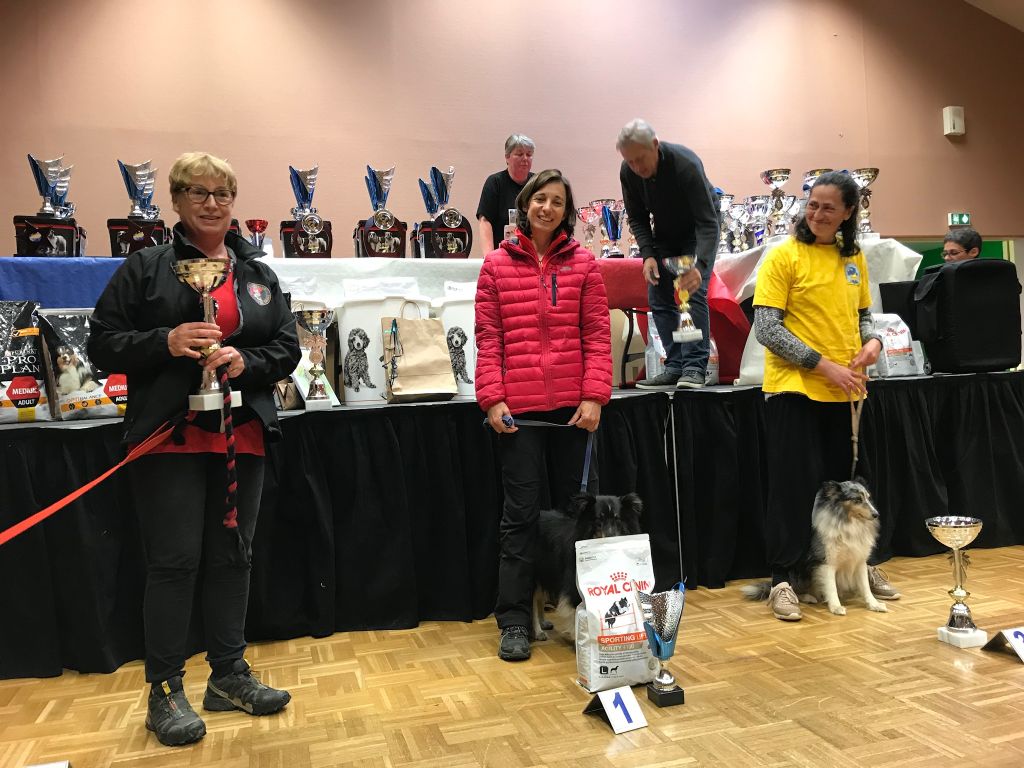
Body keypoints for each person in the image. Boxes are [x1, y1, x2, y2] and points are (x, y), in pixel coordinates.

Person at [88, 152, 300, 746]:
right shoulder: (146, 268)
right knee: (175, 562)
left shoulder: (257, 273)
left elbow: (287, 347)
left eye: (222, 193)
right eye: (198, 192)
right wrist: (166, 340)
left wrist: (244, 359)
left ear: (234, 203)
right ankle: (164, 690)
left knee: (235, 557)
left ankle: (228, 674)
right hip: (170, 436)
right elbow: (102, 343)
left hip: (244, 433)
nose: (211, 203)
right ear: (176, 201)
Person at [475, 168, 612, 661]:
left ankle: (594, 614)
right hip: (520, 416)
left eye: (557, 201)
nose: (547, 208)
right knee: (520, 519)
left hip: (576, 413)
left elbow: (598, 336)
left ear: (565, 213)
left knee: (585, 519)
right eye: (540, 199)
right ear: (525, 205)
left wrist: (595, 395)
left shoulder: (585, 266)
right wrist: (492, 398)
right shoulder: (494, 266)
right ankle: (514, 620)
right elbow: (488, 340)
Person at [752, 170, 900, 622]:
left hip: (847, 392)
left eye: (828, 207)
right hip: (795, 391)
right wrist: (823, 366)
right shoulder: (783, 257)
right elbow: (767, 328)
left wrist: (873, 342)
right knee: (792, 490)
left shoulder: (852, 256)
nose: (817, 213)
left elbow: (863, 317)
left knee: (853, 489)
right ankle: (783, 580)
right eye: (812, 205)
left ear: (848, 213)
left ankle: (859, 570)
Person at [617, 118, 720, 389]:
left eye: (641, 159)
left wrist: (701, 267)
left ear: (655, 145)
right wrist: (648, 254)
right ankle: (674, 365)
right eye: (630, 162)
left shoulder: (686, 164)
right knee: (658, 293)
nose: (637, 168)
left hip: (696, 230)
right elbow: (637, 218)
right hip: (664, 231)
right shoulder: (628, 173)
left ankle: (695, 366)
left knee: (691, 292)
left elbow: (708, 222)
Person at [476, 133, 535, 252]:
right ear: (507, 157)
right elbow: (485, 221)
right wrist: (489, 258)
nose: (525, 158)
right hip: (502, 255)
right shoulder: (495, 182)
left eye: (529, 154)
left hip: (532, 255)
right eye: (519, 154)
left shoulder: (537, 183)